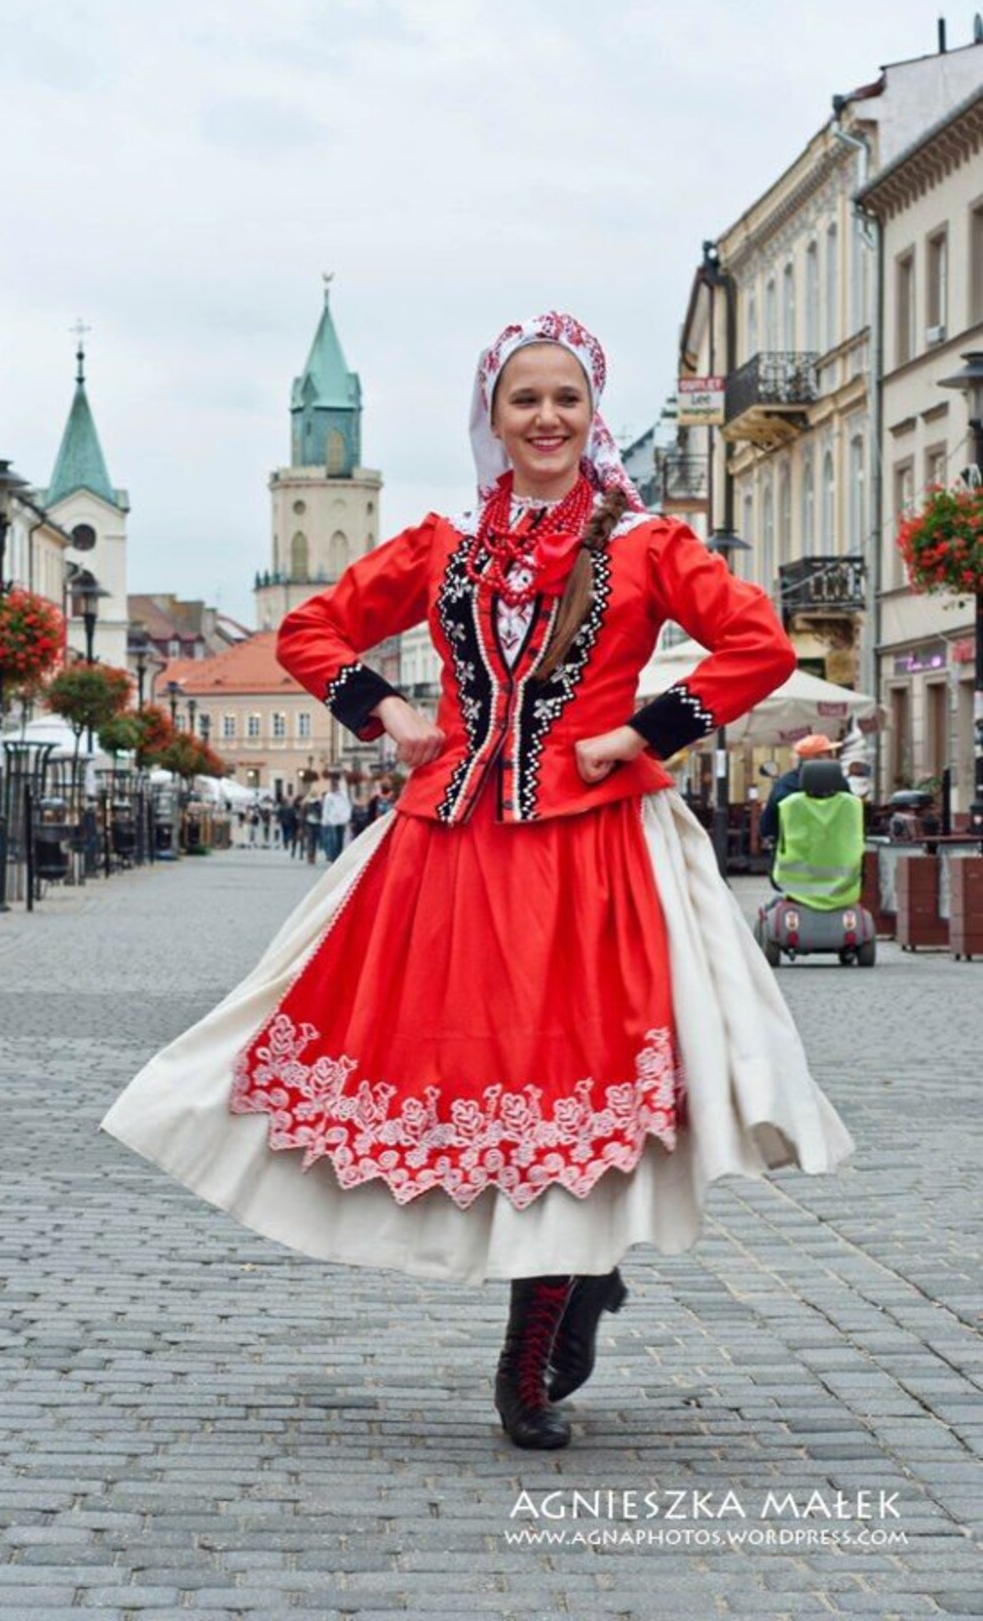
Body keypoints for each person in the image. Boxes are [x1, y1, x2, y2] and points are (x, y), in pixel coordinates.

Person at [102, 311, 852, 1452]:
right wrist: (387, 709)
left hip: (594, 845)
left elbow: (755, 644)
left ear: (594, 413)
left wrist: (642, 731)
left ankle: (527, 1357)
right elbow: (313, 629)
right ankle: (574, 1286)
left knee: (566, 1078)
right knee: (460, 1069)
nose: (546, 418)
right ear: (492, 419)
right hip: (447, 847)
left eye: (566, 399)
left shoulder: (649, 545)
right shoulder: (447, 543)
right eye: (523, 400)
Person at [759, 733, 845, 844]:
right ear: (816, 757)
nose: (833, 757)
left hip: (796, 855)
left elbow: (767, 827)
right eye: (829, 754)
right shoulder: (841, 783)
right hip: (838, 854)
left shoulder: (785, 784)